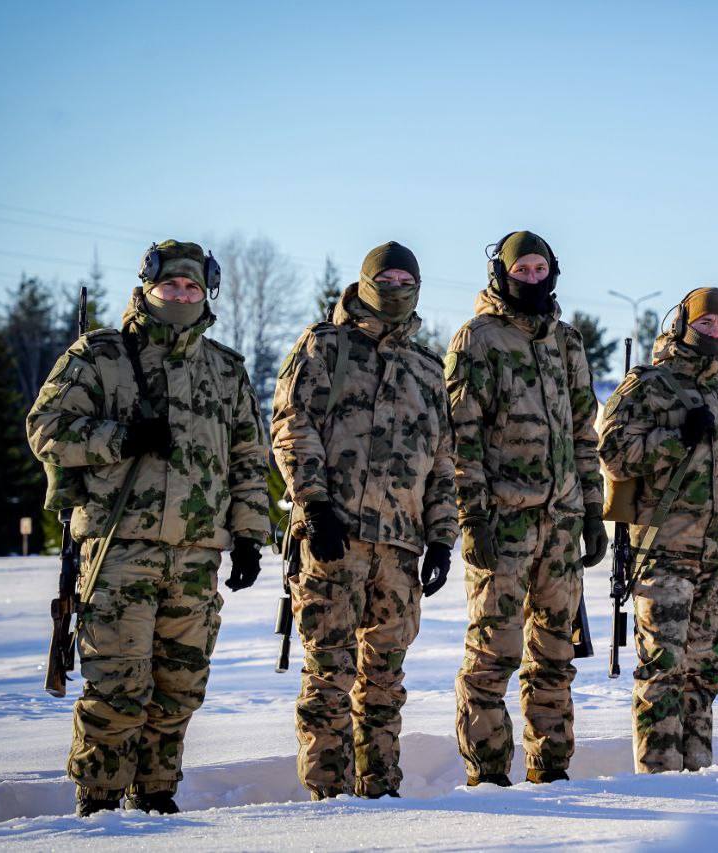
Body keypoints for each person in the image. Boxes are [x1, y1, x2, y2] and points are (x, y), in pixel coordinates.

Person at [27, 240, 270, 816]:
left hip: (196, 555)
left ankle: (157, 792)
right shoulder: (101, 355)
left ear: (205, 292)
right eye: (171, 286)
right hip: (119, 548)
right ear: (148, 286)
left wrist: (250, 537)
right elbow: (46, 429)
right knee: (117, 684)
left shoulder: (225, 368)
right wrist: (121, 438)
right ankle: (100, 798)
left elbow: (249, 458)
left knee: (180, 686)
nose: (180, 296)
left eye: (192, 287)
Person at [271, 241, 457, 799]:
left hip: (399, 549)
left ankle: (380, 790)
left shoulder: (427, 367)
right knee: (329, 675)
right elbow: (292, 424)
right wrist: (314, 505)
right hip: (334, 538)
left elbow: (442, 459)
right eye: (387, 279)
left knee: (384, 680)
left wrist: (442, 536)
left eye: (406, 281)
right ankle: (328, 796)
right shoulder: (325, 346)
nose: (396, 289)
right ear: (365, 283)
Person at [598, 287, 718, 773]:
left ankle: (698, 776)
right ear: (683, 325)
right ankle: (659, 781)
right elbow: (612, 455)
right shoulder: (648, 385)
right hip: (664, 553)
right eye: (705, 324)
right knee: (662, 671)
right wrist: (676, 437)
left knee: (705, 675)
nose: (714, 332)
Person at [447, 230, 607, 786]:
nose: (531, 279)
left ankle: (551, 770)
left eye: (540, 270)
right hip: (502, 523)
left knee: (556, 656)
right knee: (493, 655)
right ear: (502, 274)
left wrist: (592, 510)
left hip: (561, 523)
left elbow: (584, 432)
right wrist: (471, 516)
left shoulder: (567, 342)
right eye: (522, 270)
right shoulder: (478, 339)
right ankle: (488, 777)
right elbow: (461, 436)